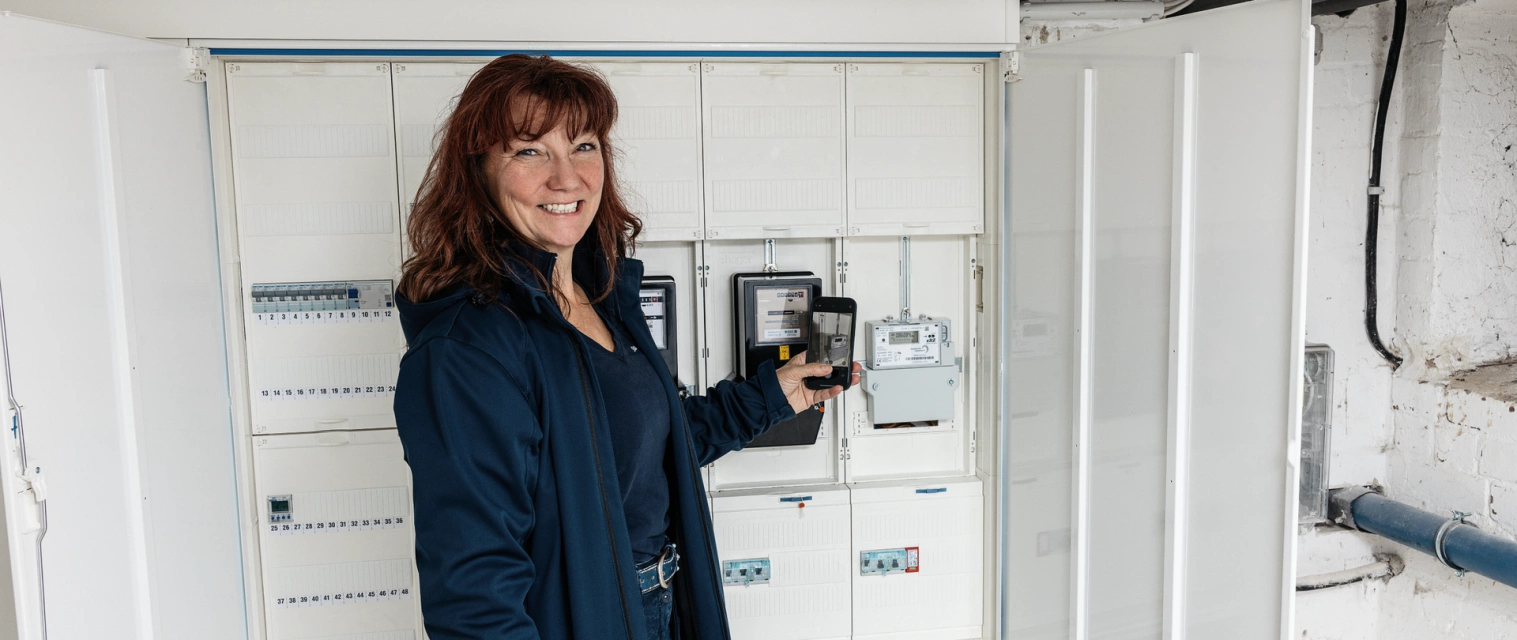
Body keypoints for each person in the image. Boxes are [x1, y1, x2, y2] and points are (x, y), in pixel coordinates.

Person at [392, 54, 858, 640]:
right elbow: (474, 591)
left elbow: (637, 450)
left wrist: (770, 398)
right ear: (477, 171)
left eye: (583, 146)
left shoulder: (603, 297)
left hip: (662, 601)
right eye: (530, 151)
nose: (567, 179)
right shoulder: (468, 348)